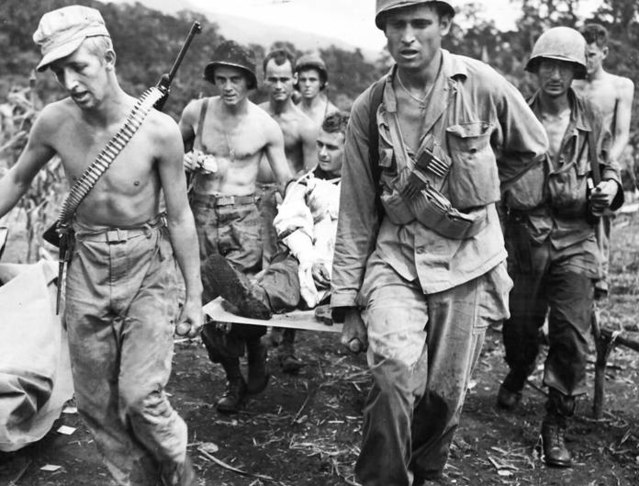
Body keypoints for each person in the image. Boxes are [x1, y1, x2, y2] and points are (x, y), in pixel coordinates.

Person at [330, 1, 549, 484]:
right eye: (396, 25)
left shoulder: (480, 84)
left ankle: (425, 469)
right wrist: (346, 301)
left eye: (420, 24)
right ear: (383, 32)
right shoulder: (369, 108)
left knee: (445, 393)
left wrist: (479, 189)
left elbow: (531, 146)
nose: (408, 36)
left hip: (466, 258)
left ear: (444, 25)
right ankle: (383, 479)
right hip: (397, 256)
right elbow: (357, 209)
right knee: (391, 373)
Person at [0, 6, 202, 485]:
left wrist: (193, 295)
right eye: (58, 71)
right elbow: (17, 178)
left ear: (108, 57)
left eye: (79, 66)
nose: (69, 81)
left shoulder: (159, 130)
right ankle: (133, 480)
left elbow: (180, 216)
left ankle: (180, 471)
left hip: (146, 267)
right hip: (85, 267)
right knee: (93, 401)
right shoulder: (54, 122)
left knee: (139, 395)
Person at [497, 27, 623, 468]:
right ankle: (518, 368)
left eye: (564, 67)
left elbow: (609, 166)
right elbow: (494, 173)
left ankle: (556, 421)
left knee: (571, 335)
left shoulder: (590, 116)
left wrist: (609, 186)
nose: (554, 75)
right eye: (547, 65)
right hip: (526, 240)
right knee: (518, 330)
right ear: (535, 69)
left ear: (576, 70)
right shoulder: (516, 114)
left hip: (575, 237)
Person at [178, 40, 292, 414]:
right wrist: (187, 162)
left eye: (235, 80)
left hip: (243, 217)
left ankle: (256, 349)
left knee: (244, 299)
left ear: (249, 82)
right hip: (200, 213)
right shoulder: (198, 111)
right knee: (207, 301)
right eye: (221, 79)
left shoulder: (265, 126)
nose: (227, 87)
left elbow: (285, 182)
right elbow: (168, 154)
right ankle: (232, 376)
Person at [204, 111, 348, 322]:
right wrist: (309, 260)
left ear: (350, 148)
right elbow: (293, 222)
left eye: (332, 147)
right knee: (286, 271)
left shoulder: (360, 188)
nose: (323, 153)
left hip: (342, 265)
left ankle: (252, 301)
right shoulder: (306, 184)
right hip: (306, 260)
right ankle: (255, 299)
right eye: (320, 145)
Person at [258, 48, 318, 372]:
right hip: (254, 200)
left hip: (288, 203)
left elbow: (310, 176)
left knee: (290, 267)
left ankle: (288, 345)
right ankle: (256, 340)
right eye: (273, 79)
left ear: (294, 79)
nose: (279, 85)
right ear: (264, 79)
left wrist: (298, 208)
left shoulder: (304, 126)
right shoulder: (255, 114)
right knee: (257, 265)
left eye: (285, 79)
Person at [573, 23, 635, 298]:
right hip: (572, 163)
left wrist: (608, 164)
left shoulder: (620, 86)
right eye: (582, 55)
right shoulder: (570, 84)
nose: (586, 61)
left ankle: (600, 280)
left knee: (600, 217)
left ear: (605, 52)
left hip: (603, 161)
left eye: (592, 55)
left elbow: (621, 134)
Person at [294, 53, 339, 128]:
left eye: (312, 80)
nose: (307, 84)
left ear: (321, 82)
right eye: (303, 80)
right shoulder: (293, 112)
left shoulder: (332, 113)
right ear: (297, 81)